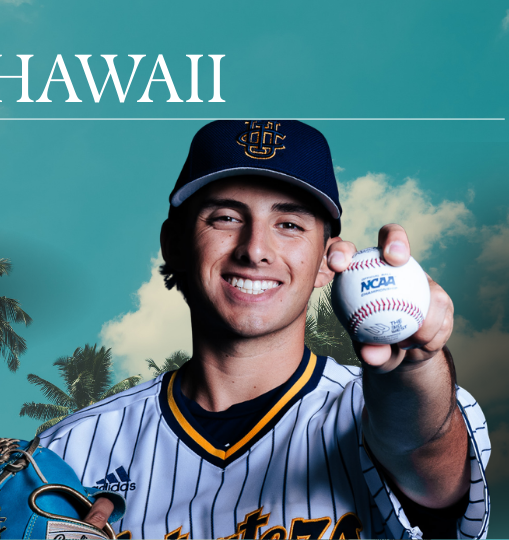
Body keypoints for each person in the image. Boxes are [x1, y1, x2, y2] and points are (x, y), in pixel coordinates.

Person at [38, 120, 490, 539]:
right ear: (173, 244)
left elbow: (424, 451)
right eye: (226, 218)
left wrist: (415, 366)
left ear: (326, 260)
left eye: (289, 224)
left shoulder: (375, 408)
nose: (255, 250)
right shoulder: (72, 448)